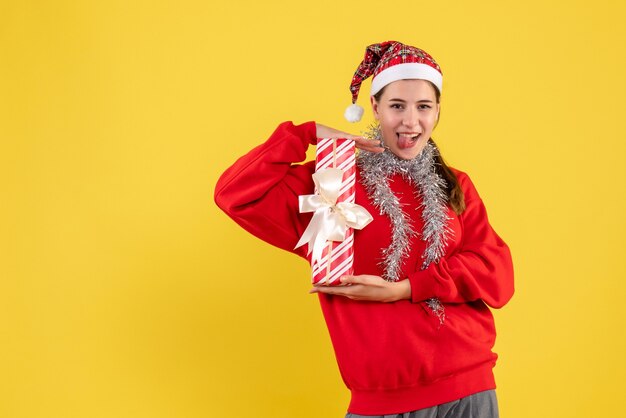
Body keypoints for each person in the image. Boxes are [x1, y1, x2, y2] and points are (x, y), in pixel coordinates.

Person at [214, 41, 514, 418]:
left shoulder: (456, 184)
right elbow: (233, 194)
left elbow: (497, 273)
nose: (410, 122)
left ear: (437, 111)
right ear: (374, 106)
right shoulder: (331, 183)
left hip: (470, 391)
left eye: (423, 107)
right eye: (396, 106)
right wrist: (303, 134)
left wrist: (406, 289)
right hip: (383, 401)